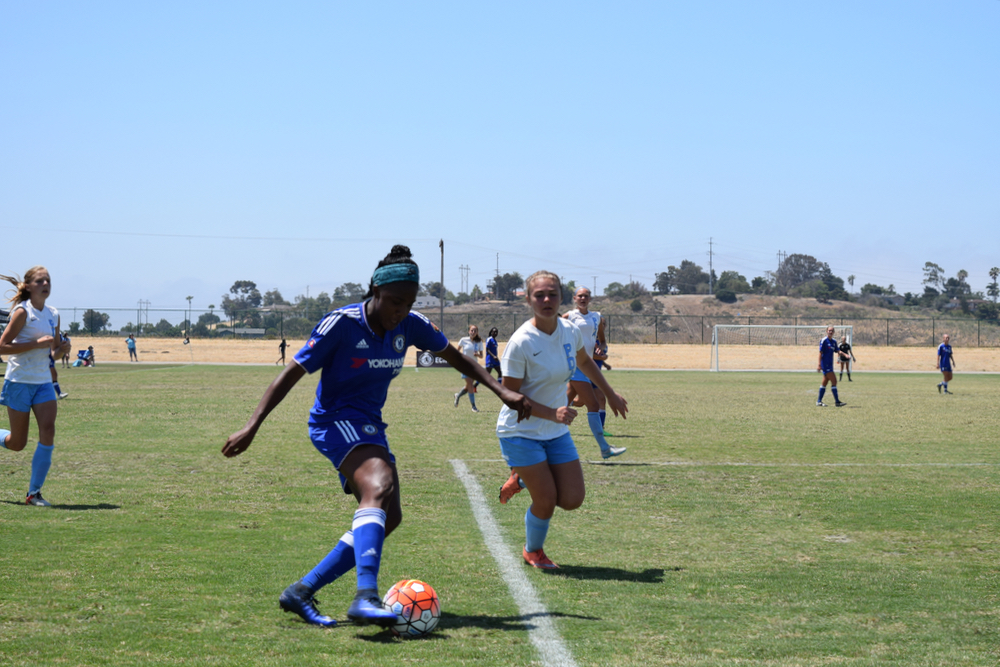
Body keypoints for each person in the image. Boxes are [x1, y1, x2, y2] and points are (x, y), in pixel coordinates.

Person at [221, 245, 530, 627]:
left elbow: (457, 357)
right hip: (334, 421)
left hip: (368, 425)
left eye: (409, 302)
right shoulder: (342, 324)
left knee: (390, 516)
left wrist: (501, 390)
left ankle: (301, 591)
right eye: (395, 302)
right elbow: (291, 373)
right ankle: (365, 596)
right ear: (375, 292)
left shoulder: (411, 324)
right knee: (379, 486)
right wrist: (253, 425)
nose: (401, 311)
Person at [495, 271, 627, 568]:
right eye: (539, 295)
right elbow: (510, 396)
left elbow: (585, 362)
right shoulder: (521, 342)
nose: (546, 300)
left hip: (554, 431)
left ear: (561, 298)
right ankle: (533, 551)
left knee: (572, 499)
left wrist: (611, 392)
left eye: (552, 294)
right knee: (546, 500)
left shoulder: (569, 330)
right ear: (528, 300)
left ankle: (520, 478)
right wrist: (552, 412)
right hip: (520, 431)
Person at [0, 267, 72, 507]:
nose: (45, 283)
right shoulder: (22, 312)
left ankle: (34, 494)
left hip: (42, 382)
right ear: (29, 286)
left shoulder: (54, 314)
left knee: (48, 430)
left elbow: (52, 350)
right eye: (40, 280)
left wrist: (63, 349)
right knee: (17, 443)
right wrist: (34, 343)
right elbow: (2, 347)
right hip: (19, 382)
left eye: (48, 280)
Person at [560, 287, 624, 458]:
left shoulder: (597, 317)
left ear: (590, 299)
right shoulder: (569, 316)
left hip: (586, 365)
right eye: (580, 296)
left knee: (562, 404)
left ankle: (541, 439)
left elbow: (602, 341)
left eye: (586, 296)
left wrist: (600, 350)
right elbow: (553, 331)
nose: (583, 298)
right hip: (573, 365)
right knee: (593, 405)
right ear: (575, 298)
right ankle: (605, 448)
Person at [453, 325, 484, 412]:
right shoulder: (463, 340)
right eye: (472, 330)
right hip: (464, 366)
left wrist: (477, 354)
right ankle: (473, 406)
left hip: (474, 366)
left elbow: (482, 356)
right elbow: (456, 352)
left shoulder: (479, 342)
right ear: (469, 331)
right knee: (470, 384)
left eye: (475, 331)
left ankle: (457, 396)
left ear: (477, 332)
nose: (473, 332)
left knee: (468, 386)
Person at [817, 326, 846, 407]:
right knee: (834, 381)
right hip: (825, 365)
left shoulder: (834, 341)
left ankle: (819, 401)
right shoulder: (824, 341)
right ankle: (837, 402)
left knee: (824, 383)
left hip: (830, 365)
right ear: (827, 331)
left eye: (832, 331)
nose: (830, 332)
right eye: (829, 330)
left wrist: (845, 354)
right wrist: (819, 365)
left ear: (834, 332)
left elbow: (837, 350)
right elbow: (820, 353)